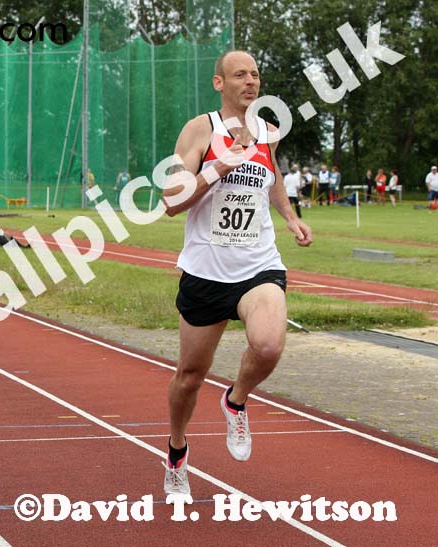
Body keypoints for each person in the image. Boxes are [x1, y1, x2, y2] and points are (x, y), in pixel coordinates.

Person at [159, 50, 312, 497]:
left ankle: (236, 399)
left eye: (255, 74)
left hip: (258, 263)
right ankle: (176, 451)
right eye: (240, 75)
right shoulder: (200, 130)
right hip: (207, 271)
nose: (251, 81)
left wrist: (288, 216)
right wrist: (218, 166)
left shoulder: (268, 131)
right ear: (218, 83)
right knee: (189, 375)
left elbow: (273, 176)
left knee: (267, 345)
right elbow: (171, 200)